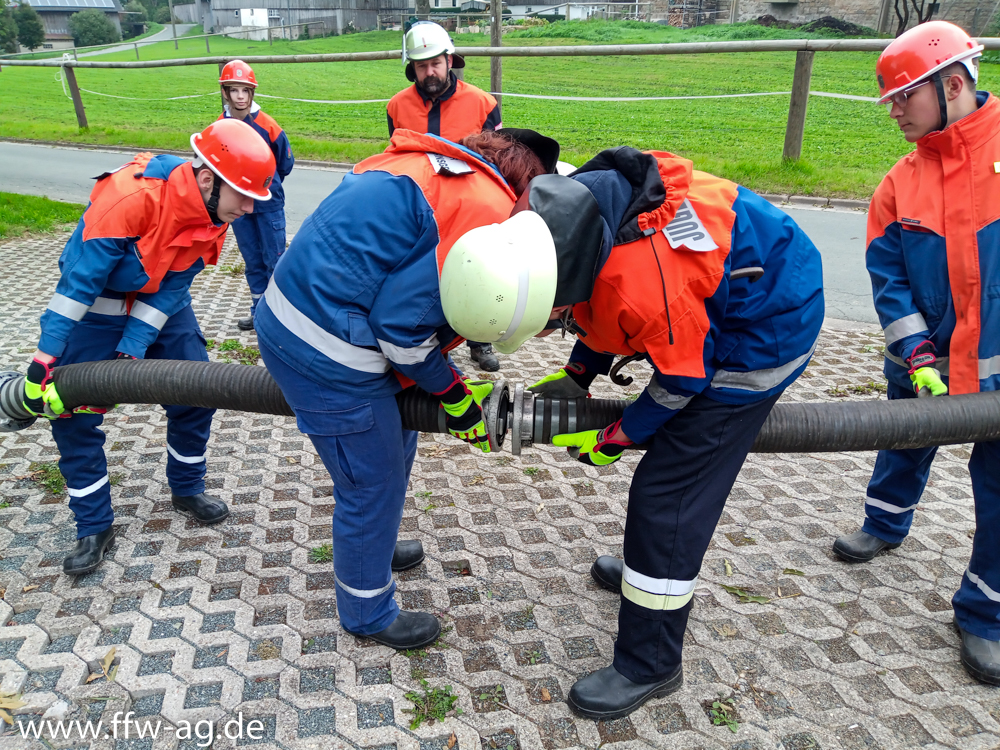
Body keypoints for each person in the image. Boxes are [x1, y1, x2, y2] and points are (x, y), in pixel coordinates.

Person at [438, 148, 824, 719]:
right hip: (710, 300)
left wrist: (621, 434)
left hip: (761, 334)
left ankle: (651, 660)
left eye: (545, 322)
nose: (548, 329)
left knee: (667, 496)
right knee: (662, 492)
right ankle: (651, 572)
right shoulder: (558, 221)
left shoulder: (642, 281)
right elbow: (597, 296)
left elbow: (682, 377)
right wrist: (578, 375)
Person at [254, 128, 557, 649]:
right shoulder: (484, 211)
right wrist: (458, 399)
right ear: (526, 181)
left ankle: (373, 541)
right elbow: (402, 332)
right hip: (328, 352)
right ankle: (367, 609)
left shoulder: (431, 167)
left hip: (311, 315)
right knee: (371, 483)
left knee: (397, 444)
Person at [23, 119, 277, 576]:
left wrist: (133, 348)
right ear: (206, 179)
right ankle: (94, 524)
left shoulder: (217, 212)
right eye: (244, 196)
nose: (249, 209)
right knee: (71, 411)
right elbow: (78, 284)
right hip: (95, 305)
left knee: (197, 391)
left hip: (162, 304)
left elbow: (172, 285)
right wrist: (45, 357)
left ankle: (186, 487)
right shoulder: (130, 195)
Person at [830, 21, 1000, 685]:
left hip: (996, 375)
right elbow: (889, 279)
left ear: (951, 84)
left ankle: (984, 615)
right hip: (925, 366)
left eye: (904, 96)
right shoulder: (897, 186)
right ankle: (885, 523)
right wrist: (918, 356)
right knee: (903, 441)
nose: (894, 109)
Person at [388, 20, 503, 372]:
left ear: (449, 60)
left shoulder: (482, 103)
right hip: (420, 204)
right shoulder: (397, 106)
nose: (430, 72)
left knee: (475, 269)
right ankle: (435, 342)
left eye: (435, 63)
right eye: (422, 66)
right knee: (424, 272)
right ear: (412, 68)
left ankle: (479, 338)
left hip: (470, 204)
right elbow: (397, 155)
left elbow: (497, 157)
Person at [218, 60, 295, 331]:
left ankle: (281, 317)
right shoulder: (220, 126)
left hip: (268, 204)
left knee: (274, 259)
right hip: (238, 206)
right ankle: (259, 311)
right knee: (252, 260)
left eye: (245, 90)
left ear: (252, 92)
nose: (240, 96)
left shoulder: (267, 125)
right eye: (234, 90)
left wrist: (268, 185)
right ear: (225, 92)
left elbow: (285, 162)